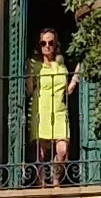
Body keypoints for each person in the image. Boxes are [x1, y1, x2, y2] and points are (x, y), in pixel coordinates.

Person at [29, 27, 72, 182]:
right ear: (39, 46)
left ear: (55, 44)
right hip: (41, 111)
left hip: (59, 111)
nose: (47, 46)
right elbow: (29, 88)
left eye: (50, 42)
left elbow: (68, 89)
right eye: (43, 43)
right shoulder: (35, 66)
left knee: (62, 149)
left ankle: (55, 178)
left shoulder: (61, 66)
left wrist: (76, 77)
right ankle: (42, 184)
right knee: (41, 152)